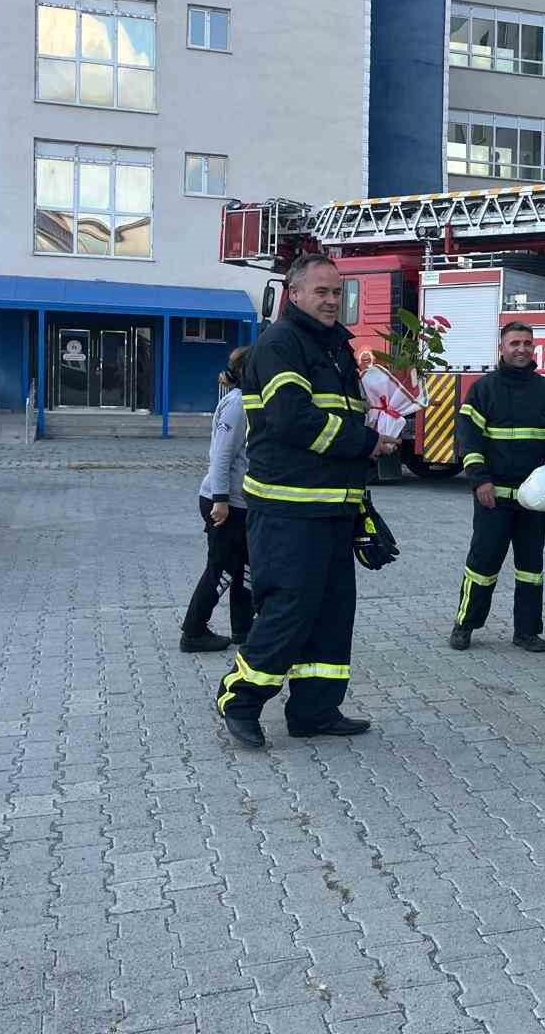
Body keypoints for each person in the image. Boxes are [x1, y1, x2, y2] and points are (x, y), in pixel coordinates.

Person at [215, 254, 398, 748]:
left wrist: (377, 441)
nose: (331, 300)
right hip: (287, 508)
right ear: (293, 294)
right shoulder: (280, 344)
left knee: (333, 611)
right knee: (289, 609)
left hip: (334, 506)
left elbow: (342, 418)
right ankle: (240, 699)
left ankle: (315, 709)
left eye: (337, 292)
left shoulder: (337, 348)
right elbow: (291, 419)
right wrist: (366, 443)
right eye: (321, 291)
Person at [449, 321, 545, 653]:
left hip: (533, 501)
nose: (522, 349)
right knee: (482, 563)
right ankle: (465, 624)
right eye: (515, 343)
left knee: (531, 568)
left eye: (527, 343)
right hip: (493, 498)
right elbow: (468, 436)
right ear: (501, 348)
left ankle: (527, 631)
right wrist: (479, 480)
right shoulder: (483, 389)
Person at [180, 346, 254, 653]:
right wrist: (221, 500)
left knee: (245, 567)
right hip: (223, 502)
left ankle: (244, 630)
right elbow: (221, 456)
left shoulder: (250, 402)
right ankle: (194, 631)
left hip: (242, 503)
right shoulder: (237, 405)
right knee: (222, 568)